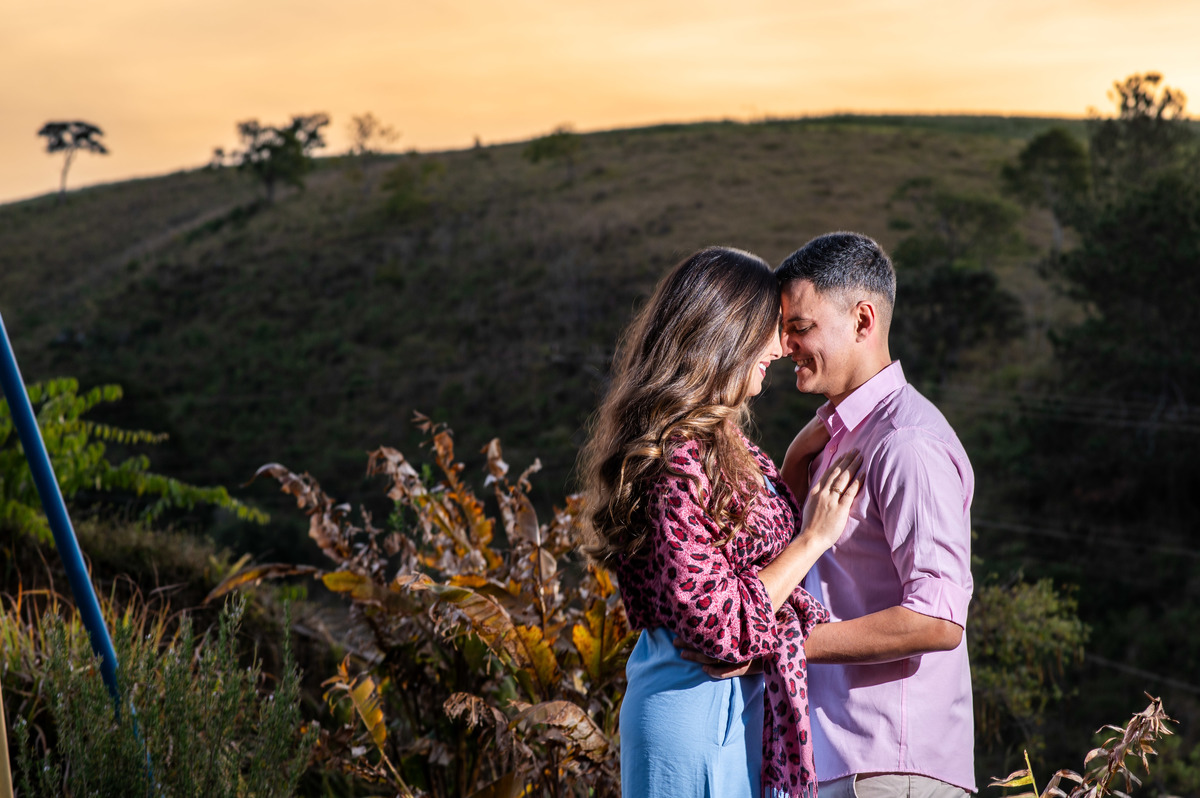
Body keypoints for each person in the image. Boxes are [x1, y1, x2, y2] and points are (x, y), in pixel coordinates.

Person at [577, 245, 862, 798]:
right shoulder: (673, 463)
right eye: (770, 329)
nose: (782, 347)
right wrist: (813, 539)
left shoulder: (725, 449)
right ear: (724, 335)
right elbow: (722, 626)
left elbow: (746, 557)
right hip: (691, 709)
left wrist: (795, 465)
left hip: (734, 713)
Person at [775, 231, 976, 797]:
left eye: (801, 327)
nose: (786, 344)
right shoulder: (836, 437)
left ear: (862, 321)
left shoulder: (905, 441)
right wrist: (793, 464)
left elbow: (938, 618)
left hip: (890, 768)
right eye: (784, 328)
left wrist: (791, 642)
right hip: (839, 761)